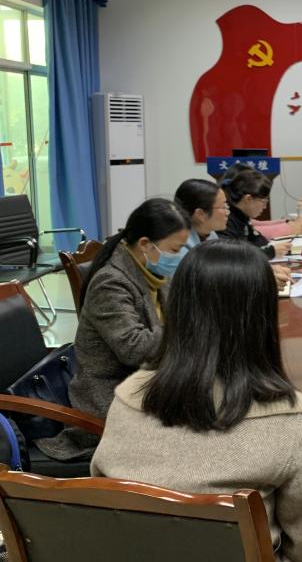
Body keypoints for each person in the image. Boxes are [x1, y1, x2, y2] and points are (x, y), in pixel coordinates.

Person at [91, 240, 302, 562]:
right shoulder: (290, 422)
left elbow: (103, 498)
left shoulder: (127, 400)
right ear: (263, 318)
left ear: (177, 310)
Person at [38, 198, 191, 461]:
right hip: (110, 399)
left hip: (148, 381)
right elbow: (134, 348)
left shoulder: (153, 275)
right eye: (175, 250)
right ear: (145, 244)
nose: (177, 258)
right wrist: (190, 330)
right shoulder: (111, 283)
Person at [219, 167, 290, 259]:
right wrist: (270, 252)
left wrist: (273, 248)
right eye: (264, 201)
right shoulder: (226, 219)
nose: (265, 207)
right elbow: (234, 256)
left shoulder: (242, 215)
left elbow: (256, 239)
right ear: (248, 199)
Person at [174, 178, 229, 250]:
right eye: (223, 207)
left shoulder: (209, 234)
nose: (228, 212)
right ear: (200, 214)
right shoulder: (177, 247)